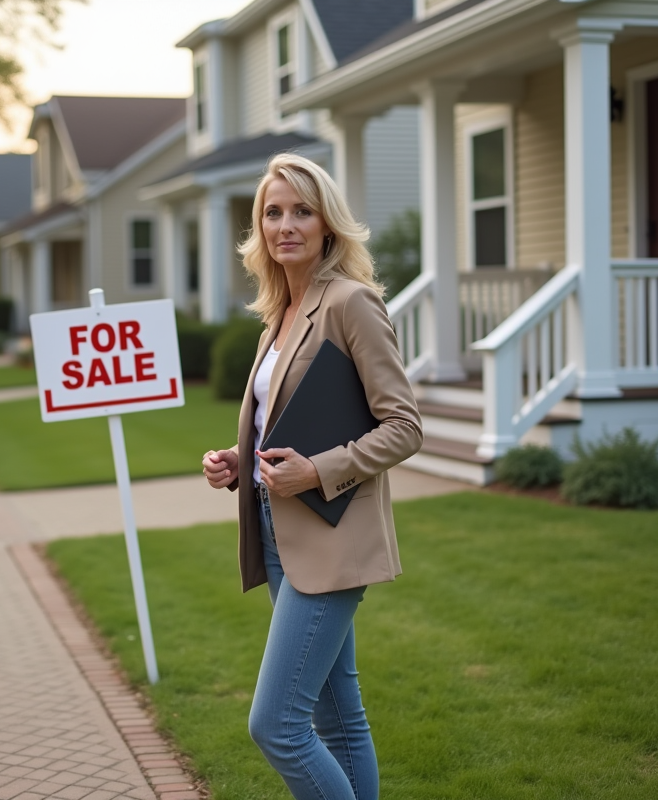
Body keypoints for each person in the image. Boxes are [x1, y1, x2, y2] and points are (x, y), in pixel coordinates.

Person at [201, 153, 423, 799]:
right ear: (259, 228)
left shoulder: (351, 302)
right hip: (277, 532)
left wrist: (317, 472)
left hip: (333, 535)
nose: (286, 224)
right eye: (273, 212)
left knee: (277, 725)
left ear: (328, 224)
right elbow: (292, 419)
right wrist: (243, 460)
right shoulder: (280, 315)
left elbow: (404, 425)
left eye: (302, 210)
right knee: (336, 716)